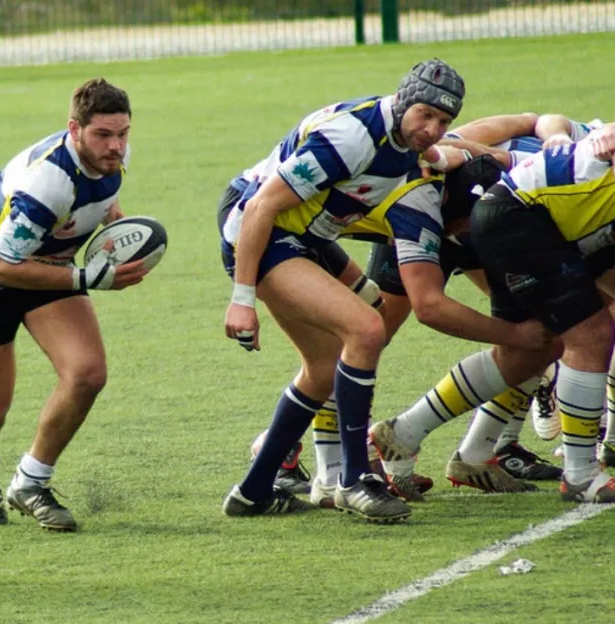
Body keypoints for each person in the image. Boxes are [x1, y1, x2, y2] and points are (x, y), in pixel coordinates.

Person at [217, 59, 470, 522]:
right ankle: (355, 480)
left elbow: (445, 152)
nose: (433, 129)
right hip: (261, 228)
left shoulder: (408, 141)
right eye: (426, 116)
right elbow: (262, 205)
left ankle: (253, 492)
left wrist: (475, 154)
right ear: (403, 102)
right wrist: (242, 298)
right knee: (366, 329)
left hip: (308, 237)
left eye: (444, 122)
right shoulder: (352, 137)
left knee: (326, 361)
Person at [373, 124, 615, 503]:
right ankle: (581, 473)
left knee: (538, 347)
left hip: (538, 217)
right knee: (589, 334)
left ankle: (403, 433)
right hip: (514, 216)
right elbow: (429, 309)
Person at [0, 78, 147, 532]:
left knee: (87, 373)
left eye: (123, 133)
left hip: (47, 262)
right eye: (103, 135)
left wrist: (123, 234)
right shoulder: (48, 183)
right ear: (74, 129)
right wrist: (89, 277)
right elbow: (1, 269)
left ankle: (31, 482)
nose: (116, 146)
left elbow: (105, 205)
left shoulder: (115, 157)